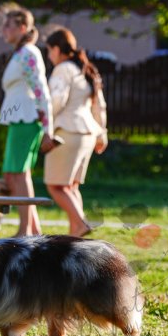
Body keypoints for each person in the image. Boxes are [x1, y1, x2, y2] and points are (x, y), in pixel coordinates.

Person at [43, 27, 108, 237]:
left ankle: (80, 224)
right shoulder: (86, 69)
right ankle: (75, 236)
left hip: (67, 133)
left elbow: (56, 100)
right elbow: (99, 104)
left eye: (49, 51)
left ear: (56, 49)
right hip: (88, 134)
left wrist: (43, 121)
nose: (49, 56)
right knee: (71, 187)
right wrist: (102, 133)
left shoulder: (63, 69)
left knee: (55, 186)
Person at [0, 3, 52, 237]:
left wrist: (48, 128)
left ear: (22, 28)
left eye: (8, 25)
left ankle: (25, 230)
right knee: (17, 174)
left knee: (19, 174)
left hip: (27, 119)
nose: (3, 30)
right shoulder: (21, 53)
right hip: (20, 120)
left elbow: (41, 90)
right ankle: (33, 229)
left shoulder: (28, 52)